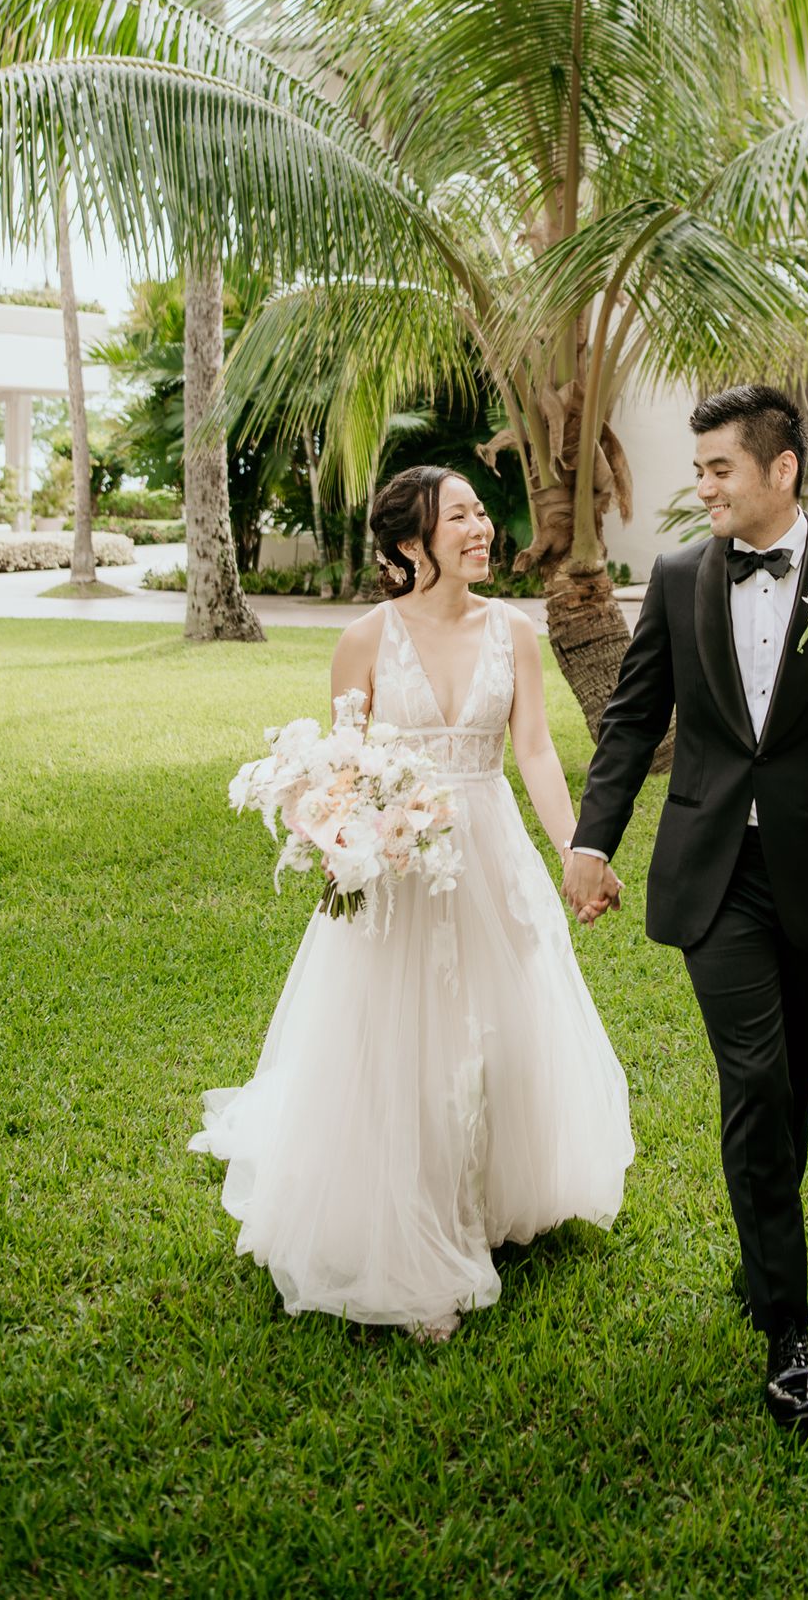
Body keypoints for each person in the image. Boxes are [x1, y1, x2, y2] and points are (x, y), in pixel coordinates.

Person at [190, 465, 633, 1339]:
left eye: (480, 513)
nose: (481, 528)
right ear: (408, 543)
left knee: (503, 1023)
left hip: (489, 848)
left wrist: (578, 850)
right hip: (396, 862)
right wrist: (345, 842)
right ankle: (410, 1222)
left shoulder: (516, 631)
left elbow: (535, 752)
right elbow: (341, 770)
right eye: (459, 516)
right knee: (399, 1033)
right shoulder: (362, 640)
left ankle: (490, 1186)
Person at [563, 384, 808, 1436]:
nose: (703, 483)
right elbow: (630, 723)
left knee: (791, 1091)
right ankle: (789, 1338)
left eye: (720, 466)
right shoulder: (677, 578)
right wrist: (594, 841)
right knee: (756, 1080)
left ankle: (758, 1248)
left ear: (781, 470)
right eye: (702, 466)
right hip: (711, 874)